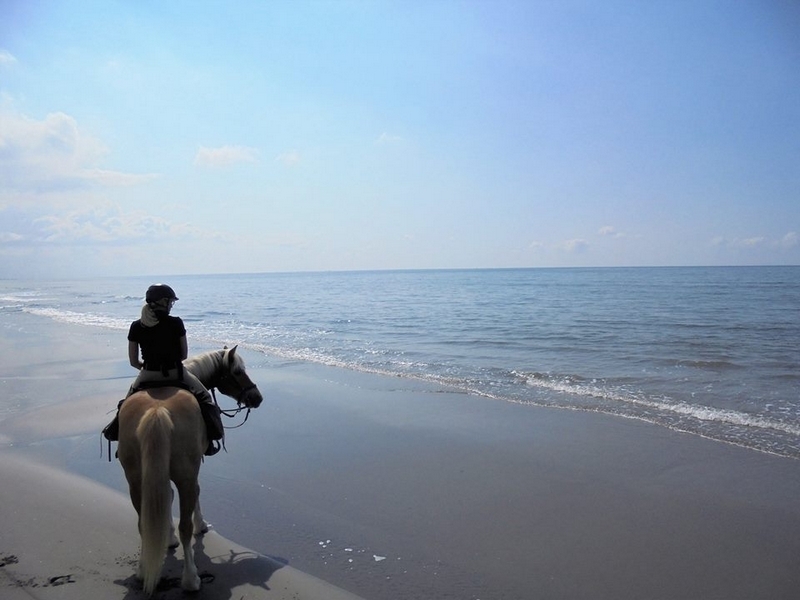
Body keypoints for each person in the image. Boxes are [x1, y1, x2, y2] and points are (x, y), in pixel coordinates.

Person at [102, 283, 224, 456]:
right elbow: (183, 355)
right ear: (163, 302)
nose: (171, 305)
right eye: (170, 302)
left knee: (126, 404)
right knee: (206, 399)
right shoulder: (175, 323)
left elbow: (132, 361)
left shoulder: (137, 326)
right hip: (176, 373)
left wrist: (145, 368)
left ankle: (116, 433)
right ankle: (211, 440)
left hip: (147, 375)